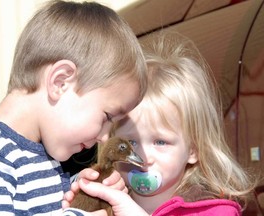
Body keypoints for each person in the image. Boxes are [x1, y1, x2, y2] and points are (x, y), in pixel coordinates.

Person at [0, 0, 148, 215]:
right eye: (106, 117)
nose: (104, 138)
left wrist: (83, 191)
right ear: (61, 82)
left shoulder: (43, 155)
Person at [62, 32, 256, 216]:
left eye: (160, 142)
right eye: (131, 143)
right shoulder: (104, 205)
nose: (144, 158)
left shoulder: (216, 212)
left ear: (193, 150)